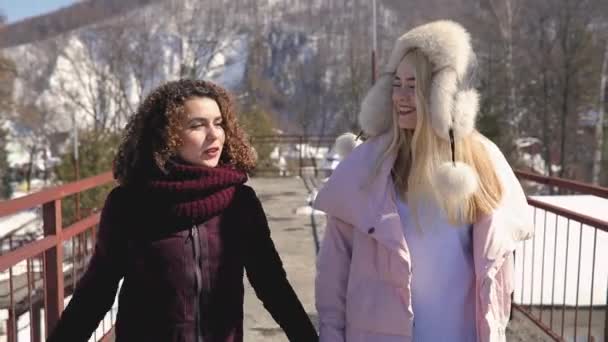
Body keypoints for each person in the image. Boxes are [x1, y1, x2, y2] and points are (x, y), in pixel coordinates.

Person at [47, 80, 318, 342]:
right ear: (167, 136)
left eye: (218, 123)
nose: (214, 135)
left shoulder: (240, 201)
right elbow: (97, 290)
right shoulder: (129, 204)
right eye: (197, 125)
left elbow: (272, 284)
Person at [314, 20, 532, 342]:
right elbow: (333, 274)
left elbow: (497, 272)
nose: (400, 96)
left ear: (441, 93)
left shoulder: (483, 163)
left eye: (413, 86)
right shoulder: (365, 169)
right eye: (396, 84)